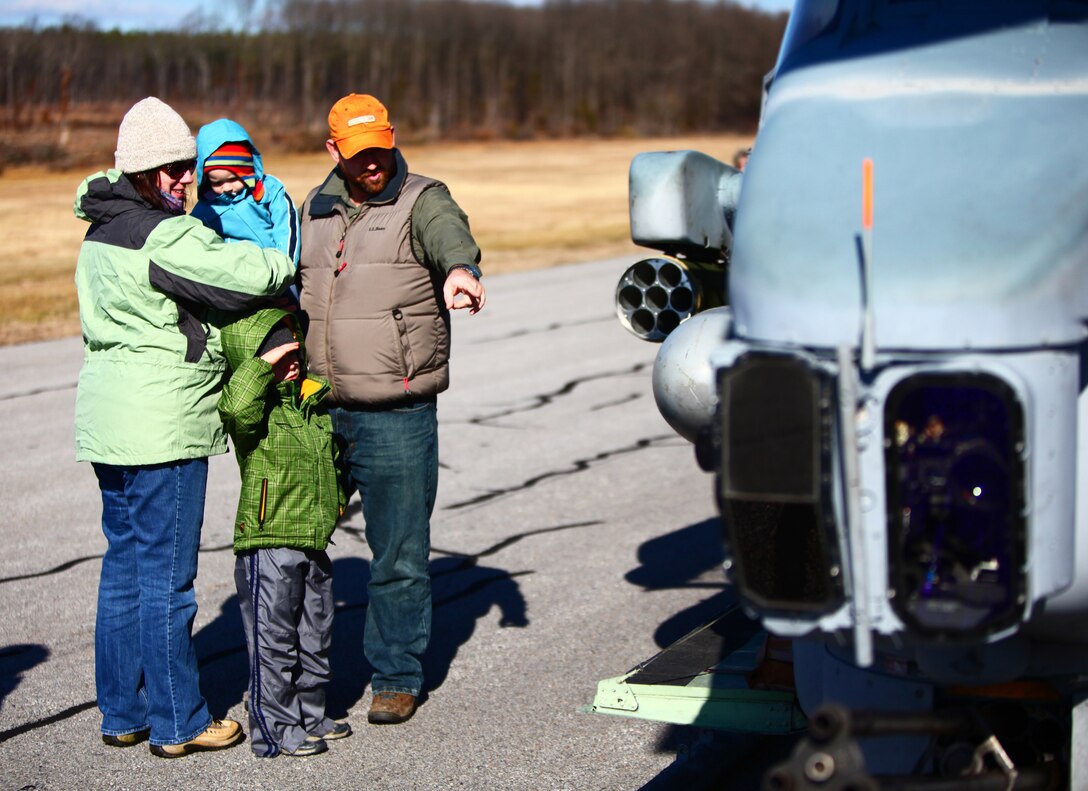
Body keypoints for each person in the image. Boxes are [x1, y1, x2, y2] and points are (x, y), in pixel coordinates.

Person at [73, 96, 296, 758]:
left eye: (185, 167)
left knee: (124, 568)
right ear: (143, 176)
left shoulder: (99, 231)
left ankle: (123, 709)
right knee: (166, 578)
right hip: (160, 428)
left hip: (108, 424)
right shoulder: (163, 234)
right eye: (169, 172)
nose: (184, 182)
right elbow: (255, 272)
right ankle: (179, 720)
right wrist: (277, 251)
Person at [297, 93, 486, 725]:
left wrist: (460, 271)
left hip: (397, 413)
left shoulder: (423, 198)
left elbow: (451, 239)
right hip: (320, 409)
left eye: (380, 149)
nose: (373, 163)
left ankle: (396, 675)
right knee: (295, 548)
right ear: (334, 152)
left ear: (393, 137)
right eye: (358, 154)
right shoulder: (314, 209)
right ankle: (300, 676)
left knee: (399, 553)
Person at [217, 308, 350, 758]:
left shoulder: (310, 403)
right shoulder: (255, 410)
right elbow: (235, 408)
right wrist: (261, 366)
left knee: (315, 631)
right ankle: (274, 729)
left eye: (294, 350)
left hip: (312, 540)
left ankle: (311, 714)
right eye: (278, 354)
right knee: (273, 641)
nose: (290, 360)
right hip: (268, 542)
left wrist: (334, 506)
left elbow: (332, 464)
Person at [191, 118, 301, 281]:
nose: (226, 188)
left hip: (277, 275)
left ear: (247, 171)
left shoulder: (269, 192)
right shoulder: (205, 209)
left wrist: (284, 272)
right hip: (235, 283)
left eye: (233, 179)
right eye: (217, 182)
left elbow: (286, 229)